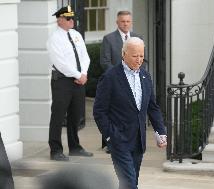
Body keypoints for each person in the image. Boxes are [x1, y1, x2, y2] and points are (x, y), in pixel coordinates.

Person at [93, 37, 167, 189]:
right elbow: (99, 111)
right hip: (118, 140)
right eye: (135, 56)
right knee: (130, 183)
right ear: (124, 54)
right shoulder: (110, 77)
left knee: (129, 182)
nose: (139, 59)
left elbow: (152, 107)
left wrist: (161, 132)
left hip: (138, 141)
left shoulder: (146, 77)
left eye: (141, 55)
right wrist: (109, 136)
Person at [47, 5, 93, 161]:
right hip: (63, 81)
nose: (72, 20)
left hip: (79, 80)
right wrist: (78, 74)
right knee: (58, 116)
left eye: (72, 17)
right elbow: (60, 63)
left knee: (76, 115)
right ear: (59, 20)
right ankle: (55, 150)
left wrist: (84, 74)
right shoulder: (54, 39)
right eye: (68, 18)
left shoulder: (76, 35)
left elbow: (85, 57)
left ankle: (75, 147)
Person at [100, 10, 146, 153]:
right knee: (113, 113)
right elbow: (105, 61)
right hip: (115, 83)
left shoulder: (138, 37)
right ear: (117, 22)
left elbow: (142, 59)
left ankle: (132, 141)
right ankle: (111, 142)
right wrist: (118, 75)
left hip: (135, 81)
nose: (125, 24)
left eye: (128, 21)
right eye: (122, 21)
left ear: (131, 22)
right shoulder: (108, 39)